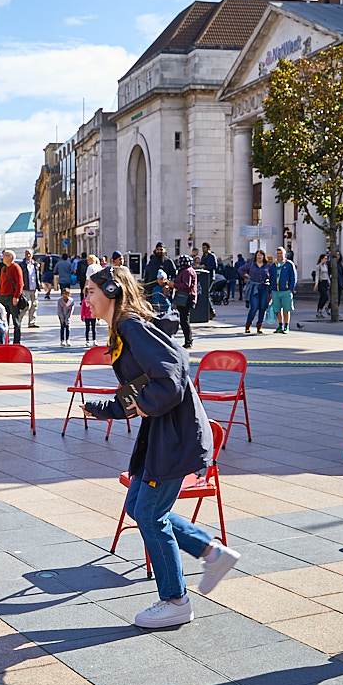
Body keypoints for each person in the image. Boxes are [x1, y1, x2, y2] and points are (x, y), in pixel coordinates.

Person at [81, 266, 238, 629]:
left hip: (174, 436)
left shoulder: (131, 326)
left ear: (112, 290)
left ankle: (175, 599)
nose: (85, 299)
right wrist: (102, 408)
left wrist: (144, 403)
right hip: (162, 434)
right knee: (139, 506)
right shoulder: (125, 328)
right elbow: (142, 387)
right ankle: (211, 552)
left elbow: (173, 373)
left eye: (90, 291)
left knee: (150, 514)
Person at [0, 250, 25, 345]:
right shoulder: (3, 269)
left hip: (12, 297)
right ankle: (5, 340)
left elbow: (20, 283)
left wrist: (16, 296)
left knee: (15, 321)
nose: (3, 257)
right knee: (4, 320)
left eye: (5, 255)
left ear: (11, 257)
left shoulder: (16, 267)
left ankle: (16, 341)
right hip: (3, 297)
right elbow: (1, 282)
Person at [241, 250, 272, 334]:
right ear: (256, 256)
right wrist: (246, 276)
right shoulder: (251, 264)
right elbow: (240, 269)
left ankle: (259, 325)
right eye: (258, 255)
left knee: (263, 308)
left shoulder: (267, 266)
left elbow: (272, 276)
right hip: (254, 288)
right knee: (254, 307)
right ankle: (248, 325)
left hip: (264, 288)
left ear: (263, 257)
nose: (259, 257)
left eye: (261, 255)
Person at [172, 255, 198, 349]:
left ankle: (188, 341)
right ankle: (188, 340)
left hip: (186, 299)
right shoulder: (187, 270)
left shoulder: (187, 271)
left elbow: (186, 285)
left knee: (184, 320)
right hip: (185, 298)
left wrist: (174, 285)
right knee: (184, 320)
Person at [272, 247, 297, 333]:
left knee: (287, 309)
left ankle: (286, 325)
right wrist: (271, 289)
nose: (279, 255)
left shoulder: (289, 264)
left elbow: (293, 277)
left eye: (281, 253)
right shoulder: (273, 265)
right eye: (278, 253)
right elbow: (271, 277)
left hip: (286, 290)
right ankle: (280, 325)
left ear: (285, 254)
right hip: (276, 291)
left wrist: (291, 288)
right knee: (277, 309)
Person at [20, 249, 40, 327]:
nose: (28, 255)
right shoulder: (22, 265)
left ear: (32, 255)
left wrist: (39, 285)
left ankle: (32, 322)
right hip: (26, 288)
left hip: (34, 288)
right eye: (26, 253)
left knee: (34, 305)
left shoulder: (36, 265)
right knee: (26, 305)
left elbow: (38, 276)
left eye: (29, 254)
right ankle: (19, 320)